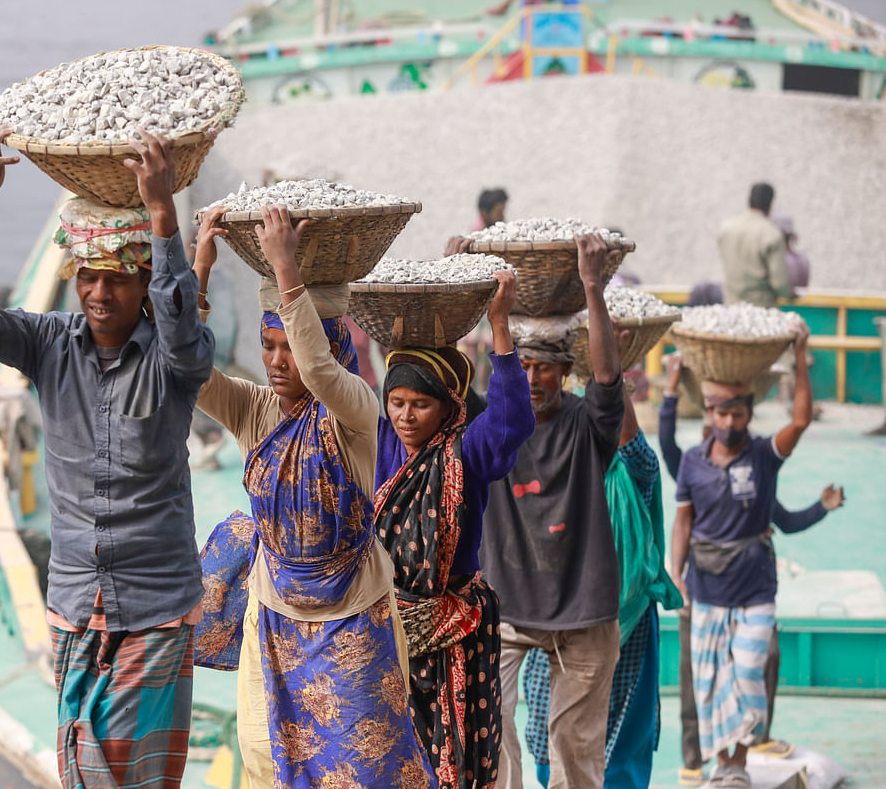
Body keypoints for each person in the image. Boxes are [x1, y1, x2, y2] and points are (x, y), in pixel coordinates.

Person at [0, 127, 215, 789]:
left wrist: (160, 218)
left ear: (143, 284)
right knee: (83, 768)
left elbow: (184, 333)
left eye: (116, 280)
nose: (98, 294)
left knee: (129, 773)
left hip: (153, 606)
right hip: (72, 604)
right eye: (87, 277)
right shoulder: (48, 344)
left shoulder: (174, 360)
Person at [191, 206, 437, 789]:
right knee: (265, 761)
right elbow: (188, 370)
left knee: (366, 771)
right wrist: (197, 275)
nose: (277, 362)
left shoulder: (353, 409)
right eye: (267, 346)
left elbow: (322, 373)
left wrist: (285, 271)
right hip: (274, 615)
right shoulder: (256, 411)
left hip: (352, 615)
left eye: (289, 347)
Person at [373, 271, 534, 788]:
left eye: (420, 404)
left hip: (454, 631)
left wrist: (499, 326)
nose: (405, 416)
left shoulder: (467, 449)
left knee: (450, 753)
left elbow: (512, 420)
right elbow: (334, 377)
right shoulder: (383, 446)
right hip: (390, 630)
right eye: (396, 403)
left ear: (448, 406)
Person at [479, 234, 625, 789]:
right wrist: (458, 277)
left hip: (584, 610)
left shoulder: (589, 427)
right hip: (508, 607)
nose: (534, 379)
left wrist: (592, 287)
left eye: (545, 368)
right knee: (489, 730)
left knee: (575, 749)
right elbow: (455, 377)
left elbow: (609, 382)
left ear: (565, 372)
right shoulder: (493, 431)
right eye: (525, 367)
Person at [659, 352, 843, 787]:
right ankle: (718, 765)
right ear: (708, 414)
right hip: (705, 588)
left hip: (756, 588)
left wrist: (800, 357)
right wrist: (677, 573)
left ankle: (736, 761)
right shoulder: (692, 463)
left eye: (736, 413)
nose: (727, 422)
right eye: (720, 413)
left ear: (748, 414)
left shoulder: (762, 458)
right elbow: (682, 519)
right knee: (707, 682)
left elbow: (799, 422)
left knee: (747, 673)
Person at [521, 386, 683, 789]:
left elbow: (633, 446)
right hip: (554, 621)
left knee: (619, 744)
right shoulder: (550, 472)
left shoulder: (633, 474)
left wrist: (612, 379)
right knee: (549, 739)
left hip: (623, 626)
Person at [718, 183, 793, 308]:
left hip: (731, 306)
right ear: (770, 204)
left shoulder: (726, 229)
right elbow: (780, 284)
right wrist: (789, 294)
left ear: (749, 201)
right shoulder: (771, 234)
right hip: (762, 309)